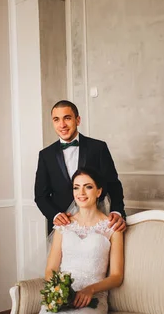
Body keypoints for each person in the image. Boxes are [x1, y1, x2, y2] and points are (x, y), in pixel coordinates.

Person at [22, 168, 125, 314]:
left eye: (88, 187)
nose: (81, 193)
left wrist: (91, 290)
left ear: (99, 191)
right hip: (62, 294)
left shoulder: (112, 227)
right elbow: (51, 268)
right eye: (76, 187)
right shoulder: (64, 224)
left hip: (93, 297)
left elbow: (117, 276)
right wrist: (60, 290)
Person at [35, 100, 126, 235]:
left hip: (96, 224)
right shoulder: (45, 155)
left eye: (67, 118)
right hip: (63, 227)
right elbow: (40, 196)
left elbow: (113, 185)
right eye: (56, 120)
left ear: (78, 120)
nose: (62, 125)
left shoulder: (98, 148)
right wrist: (54, 215)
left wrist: (116, 211)